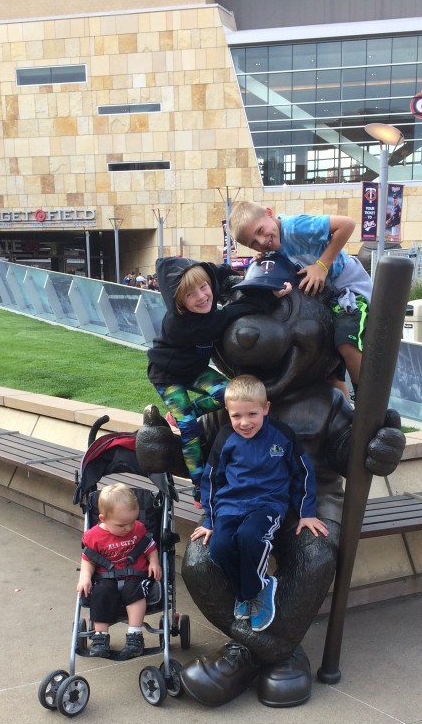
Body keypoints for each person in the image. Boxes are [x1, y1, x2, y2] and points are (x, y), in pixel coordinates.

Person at [190, 374, 328, 633]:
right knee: (218, 547)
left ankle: (253, 591)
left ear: (266, 408)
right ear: (228, 414)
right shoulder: (225, 438)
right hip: (229, 505)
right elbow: (211, 477)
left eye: (252, 414)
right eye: (236, 416)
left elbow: (304, 473)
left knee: (250, 538)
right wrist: (209, 520)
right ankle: (252, 590)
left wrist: (306, 513)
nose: (244, 423)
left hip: (266, 504)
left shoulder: (281, 435)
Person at [148, 256, 291, 503]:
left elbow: (216, 270)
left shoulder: (205, 287)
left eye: (204, 287)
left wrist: (242, 270)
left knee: (228, 395)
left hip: (193, 369)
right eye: (191, 295)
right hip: (167, 375)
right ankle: (199, 488)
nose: (202, 297)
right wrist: (270, 295)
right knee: (190, 432)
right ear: (178, 302)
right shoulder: (186, 325)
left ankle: (185, 413)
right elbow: (234, 312)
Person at [228, 200, 372, 394]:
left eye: (261, 230)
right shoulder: (272, 246)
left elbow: (346, 224)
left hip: (348, 290)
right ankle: (346, 416)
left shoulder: (296, 228)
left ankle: (367, 400)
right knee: (329, 370)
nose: (261, 241)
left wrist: (322, 266)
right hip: (325, 300)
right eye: (253, 243)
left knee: (347, 343)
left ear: (269, 213)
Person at [76, 482, 162, 660]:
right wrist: (85, 576)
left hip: (135, 577)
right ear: (102, 518)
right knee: (100, 592)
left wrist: (154, 562)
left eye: (132, 521)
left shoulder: (138, 528)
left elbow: (150, 546)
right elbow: (88, 559)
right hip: (106, 578)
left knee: (136, 592)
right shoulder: (93, 536)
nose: (129, 528)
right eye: (122, 525)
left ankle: (134, 635)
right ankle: (100, 636)